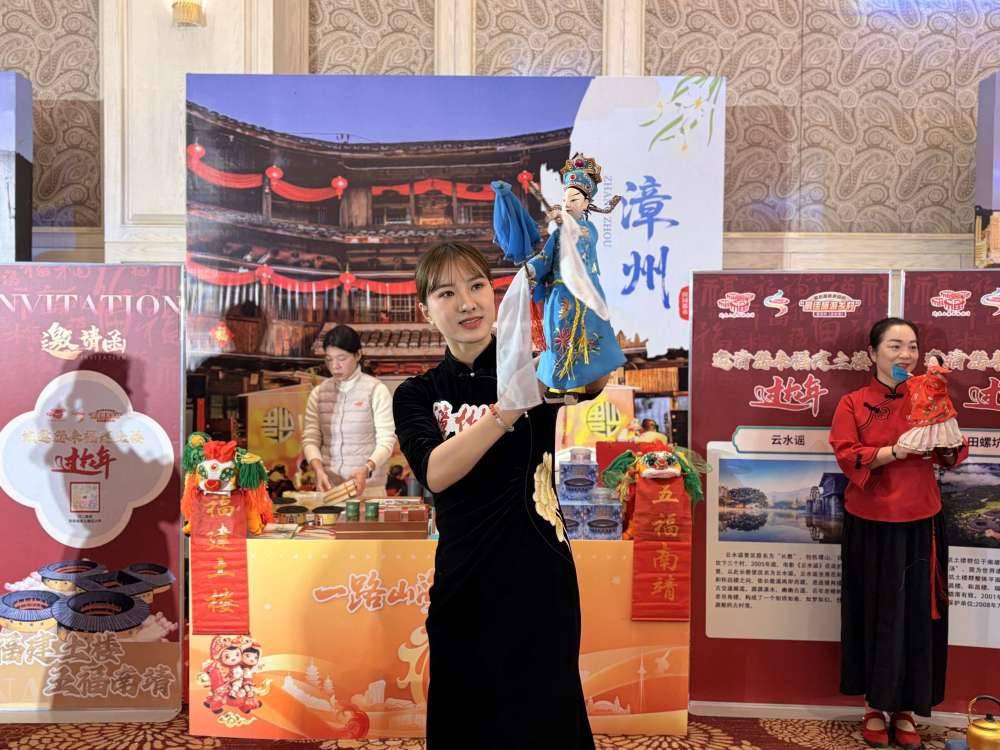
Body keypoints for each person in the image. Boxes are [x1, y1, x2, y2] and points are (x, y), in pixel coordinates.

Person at [392, 241, 596, 749]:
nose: (467, 303)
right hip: (464, 579)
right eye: (446, 293)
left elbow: (593, 375)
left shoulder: (537, 367)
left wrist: (575, 280)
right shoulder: (417, 393)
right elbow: (436, 473)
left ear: (494, 293)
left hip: (540, 572)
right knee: (465, 715)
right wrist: (508, 410)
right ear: (426, 311)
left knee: (546, 717)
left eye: (477, 285)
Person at [829, 317, 968, 750]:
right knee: (872, 611)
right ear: (872, 353)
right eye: (894, 346)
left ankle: (906, 708)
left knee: (916, 616)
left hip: (921, 519)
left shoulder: (930, 393)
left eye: (911, 346)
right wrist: (896, 451)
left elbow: (953, 452)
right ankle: (873, 705)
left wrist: (948, 445)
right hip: (869, 520)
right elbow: (847, 455)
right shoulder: (853, 403)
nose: (905, 354)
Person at [525, 154, 626, 394]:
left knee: (583, 337)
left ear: (586, 203)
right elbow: (546, 257)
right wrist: (531, 269)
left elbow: (580, 244)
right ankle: (559, 384)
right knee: (558, 336)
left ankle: (580, 385)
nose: (568, 204)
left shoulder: (588, 230)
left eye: (574, 199)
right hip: (559, 293)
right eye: (564, 199)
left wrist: (565, 225)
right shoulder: (559, 233)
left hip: (583, 293)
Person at [303, 325, 396, 498]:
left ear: (358, 355)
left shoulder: (376, 390)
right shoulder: (319, 393)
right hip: (329, 488)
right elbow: (310, 438)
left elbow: (387, 440)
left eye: (342, 358)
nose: (335, 366)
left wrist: (366, 468)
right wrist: (318, 470)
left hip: (367, 488)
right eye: (329, 359)